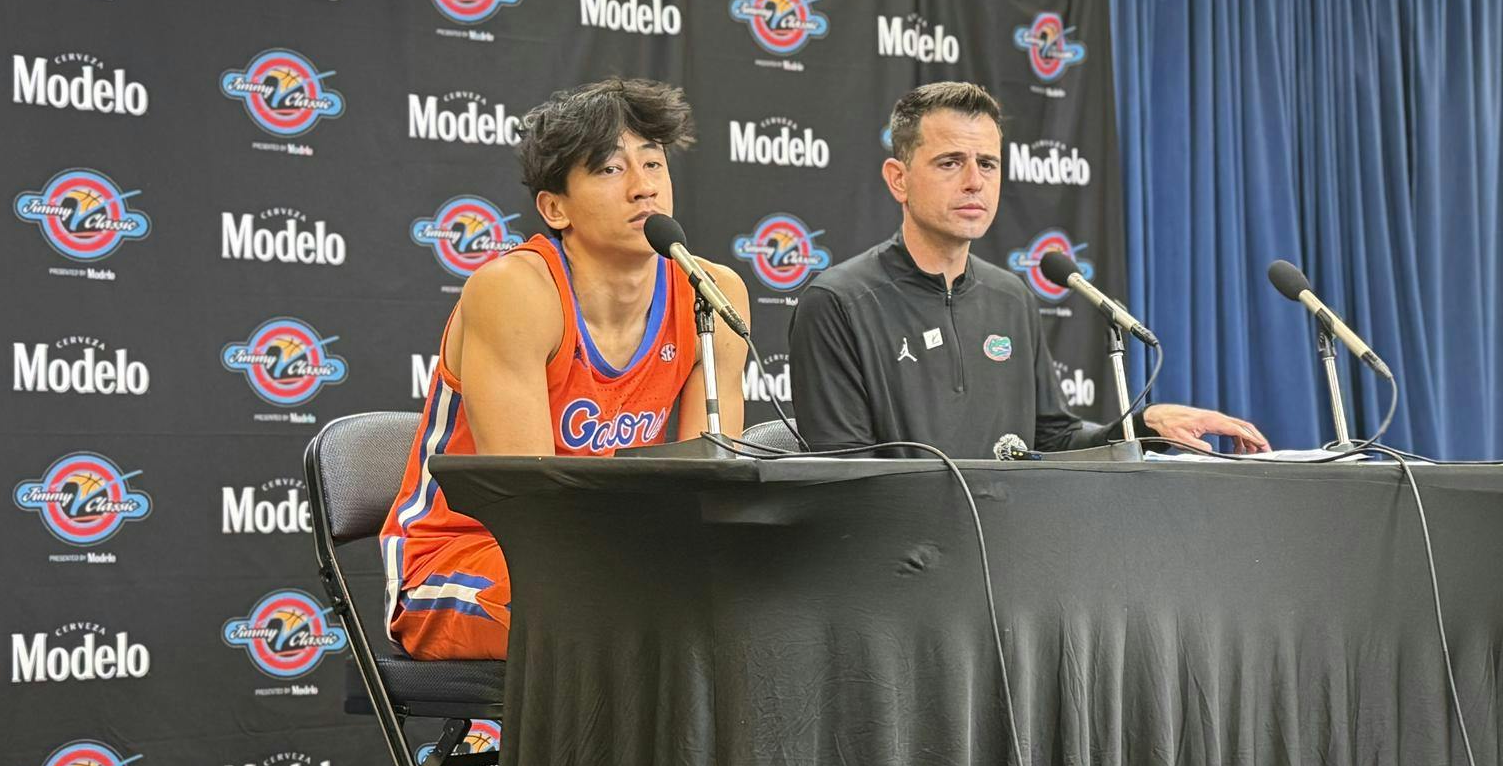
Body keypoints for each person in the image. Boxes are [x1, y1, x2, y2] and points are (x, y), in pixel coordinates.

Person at [381, 78, 749, 660]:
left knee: (754, 601)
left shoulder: (712, 292)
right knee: (613, 605)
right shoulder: (516, 290)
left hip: (623, 562)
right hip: (467, 559)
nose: (642, 187)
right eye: (608, 170)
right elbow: (532, 509)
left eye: (653, 163)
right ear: (556, 208)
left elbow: (708, 484)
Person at [788, 81, 1266, 459]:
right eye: (951, 162)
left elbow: (1052, 441)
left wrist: (1143, 426)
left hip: (1011, 552)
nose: (975, 181)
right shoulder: (838, 302)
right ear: (899, 179)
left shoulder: (1010, 296)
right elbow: (844, 477)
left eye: (989, 164)